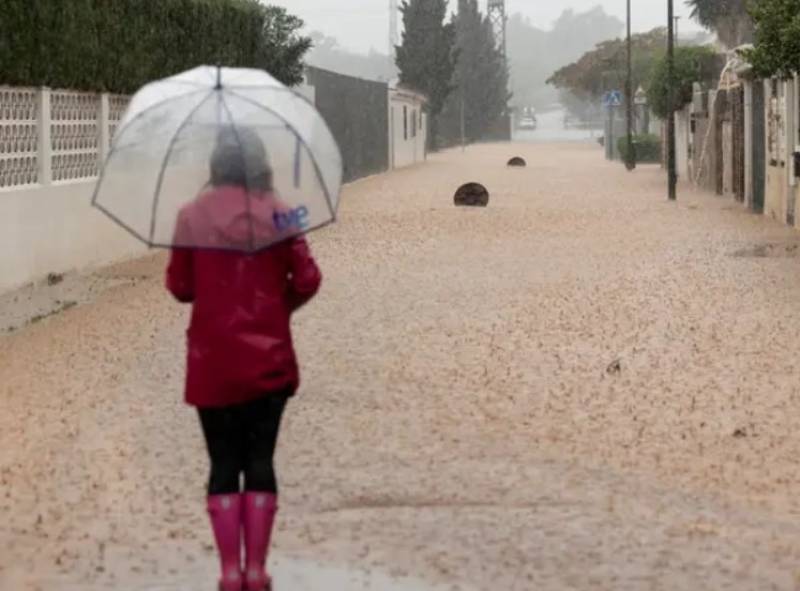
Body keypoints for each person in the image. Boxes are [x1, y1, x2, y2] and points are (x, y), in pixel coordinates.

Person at [166, 127, 322, 591]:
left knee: (221, 464)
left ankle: (229, 573)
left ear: (216, 165)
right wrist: (279, 305)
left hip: (213, 363)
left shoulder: (191, 215)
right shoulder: (281, 213)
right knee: (259, 460)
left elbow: (180, 287)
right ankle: (257, 570)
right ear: (260, 165)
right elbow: (309, 278)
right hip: (269, 362)